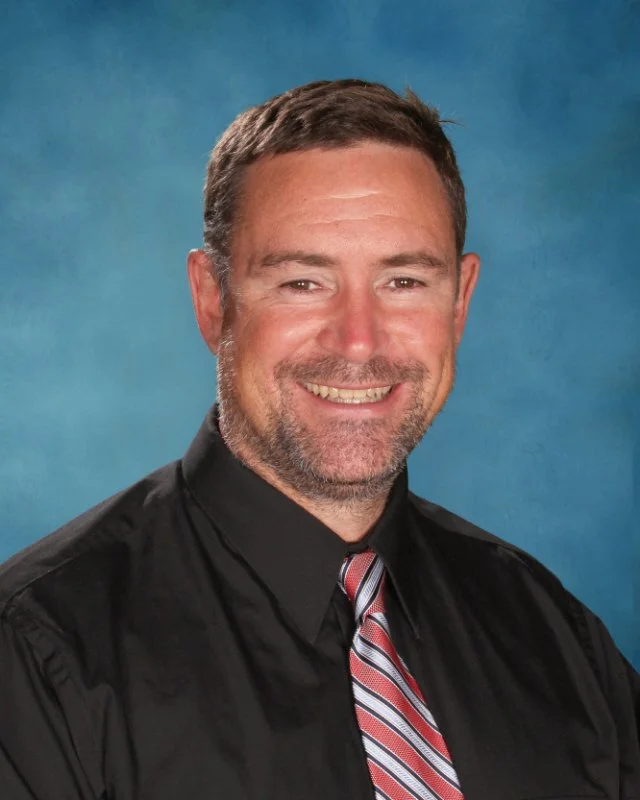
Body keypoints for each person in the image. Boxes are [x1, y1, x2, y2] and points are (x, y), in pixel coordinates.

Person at [0, 79, 638, 800]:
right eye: (304, 282)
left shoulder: (558, 641)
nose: (359, 342)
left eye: (403, 281)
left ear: (460, 302)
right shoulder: (34, 655)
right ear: (213, 300)